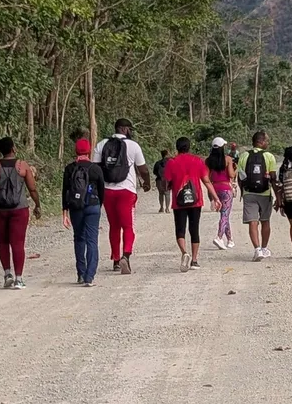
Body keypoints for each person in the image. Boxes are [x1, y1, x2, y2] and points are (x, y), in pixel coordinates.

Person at [0, 135, 40, 288]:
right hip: (19, 210)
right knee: (18, 243)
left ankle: (7, 275)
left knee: (2, 242)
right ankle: (19, 278)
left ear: (0, 151)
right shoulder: (23, 166)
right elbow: (32, 188)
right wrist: (38, 205)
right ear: (13, 148)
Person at [93, 117, 151, 274]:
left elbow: (96, 170)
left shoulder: (101, 145)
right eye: (130, 129)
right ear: (124, 129)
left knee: (114, 226)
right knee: (128, 226)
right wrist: (146, 184)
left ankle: (116, 260)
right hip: (127, 191)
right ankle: (126, 255)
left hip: (108, 191)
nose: (131, 132)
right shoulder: (133, 146)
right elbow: (144, 169)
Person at [163, 136, 220, 271]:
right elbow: (206, 181)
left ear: (177, 148)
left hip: (179, 202)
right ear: (189, 147)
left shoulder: (172, 162)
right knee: (194, 230)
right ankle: (194, 261)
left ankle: (184, 253)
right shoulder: (197, 161)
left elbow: (166, 183)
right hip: (196, 201)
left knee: (180, 229)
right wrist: (216, 198)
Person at [62, 137, 106, 286]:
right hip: (93, 205)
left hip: (76, 207)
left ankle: (81, 273)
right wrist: (98, 206)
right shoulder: (96, 169)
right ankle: (90, 276)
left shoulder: (70, 169)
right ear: (88, 151)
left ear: (76, 151)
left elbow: (65, 191)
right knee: (92, 240)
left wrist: (64, 212)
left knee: (79, 239)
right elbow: (101, 190)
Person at [239, 130, 278, 259]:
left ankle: (257, 250)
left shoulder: (244, 156)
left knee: (252, 222)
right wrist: (278, 197)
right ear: (260, 142)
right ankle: (264, 248)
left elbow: (240, 177)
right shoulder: (269, 156)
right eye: (266, 140)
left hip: (248, 193)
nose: (267, 143)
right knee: (265, 221)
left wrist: (242, 192)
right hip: (265, 193)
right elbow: (273, 178)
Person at [206, 136, 237, 249]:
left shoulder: (208, 161)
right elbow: (231, 175)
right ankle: (219, 237)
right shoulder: (227, 159)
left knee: (224, 214)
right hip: (225, 189)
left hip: (215, 189)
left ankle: (230, 239)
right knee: (225, 214)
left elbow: (207, 178)